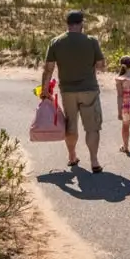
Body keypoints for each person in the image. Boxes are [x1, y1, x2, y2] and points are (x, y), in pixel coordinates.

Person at [40, 10, 106, 173]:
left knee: (71, 125)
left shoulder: (56, 42)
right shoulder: (91, 41)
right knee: (92, 128)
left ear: (67, 24)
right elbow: (101, 65)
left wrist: (44, 90)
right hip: (89, 89)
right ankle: (94, 161)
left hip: (67, 90)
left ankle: (72, 156)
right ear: (81, 23)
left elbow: (48, 69)